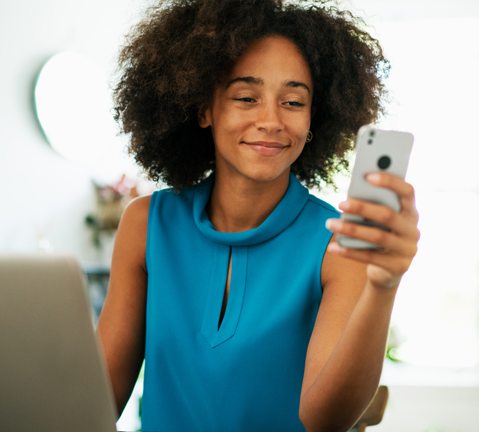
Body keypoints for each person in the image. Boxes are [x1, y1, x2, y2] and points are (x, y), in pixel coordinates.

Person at [96, 0, 420, 431]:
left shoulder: (337, 245)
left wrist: (383, 287)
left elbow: (326, 421)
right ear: (204, 109)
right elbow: (98, 401)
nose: (271, 120)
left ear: (312, 119)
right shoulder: (147, 225)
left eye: (292, 101)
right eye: (246, 97)